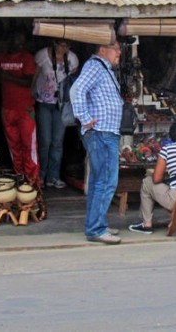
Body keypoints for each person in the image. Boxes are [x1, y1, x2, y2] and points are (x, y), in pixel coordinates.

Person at [69, 40, 123, 245]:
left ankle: (97, 222)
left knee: (99, 181)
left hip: (105, 132)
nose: (119, 52)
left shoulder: (103, 68)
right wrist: (84, 117)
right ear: (102, 50)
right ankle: (95, 228)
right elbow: (77, 90)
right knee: (106, 180)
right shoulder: (95, 66)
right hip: (101, 131)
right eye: (115, 49)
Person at [129, 118, 176, 234]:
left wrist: (167, 179)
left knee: (147, 182)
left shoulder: (167, 149)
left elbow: (157, 179)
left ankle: (147, 224)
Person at [0, 31, 38, 182]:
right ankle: (20, 176)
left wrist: (6, 76)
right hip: (7, 108)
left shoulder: (27, 58)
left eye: (22, 40)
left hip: (25, 109)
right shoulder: (0, 58)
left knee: (29, 145)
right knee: (14, 145)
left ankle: (32, 180)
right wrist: (1, 77)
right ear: (10, 40)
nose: (20, 43)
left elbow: (27, 82)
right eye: (17, 39)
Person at [33, 39, 79, 188]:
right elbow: (34, 77)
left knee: (57, 142)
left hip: (61, 104)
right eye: (61, 44)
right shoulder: (42, 55)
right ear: (54, 44)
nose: (64, 48)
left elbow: (73, 80)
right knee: (45, 141)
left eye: (67, 45)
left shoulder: (72, 59)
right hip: (43, 102)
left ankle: (53, 176)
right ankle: (40, 176)